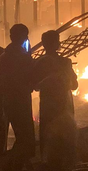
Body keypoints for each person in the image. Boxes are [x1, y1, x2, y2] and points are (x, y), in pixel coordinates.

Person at [0, 24, 36, 171]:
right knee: (26, 138)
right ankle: (11, 170)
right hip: (21, 101)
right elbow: (32, 79)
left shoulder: (3, 57)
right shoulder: (22, 57)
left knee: (22, 136)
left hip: (8, 101)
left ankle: (14, 169)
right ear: (23, 37)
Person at [32, 30, 78, 160]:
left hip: (48, 106)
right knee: (66, 138)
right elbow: (74, 85)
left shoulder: (38, 63)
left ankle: (48, 166)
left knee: (48, 137)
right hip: (64, 106)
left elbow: (34, 86)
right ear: (56, 44)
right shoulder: (65, 63)